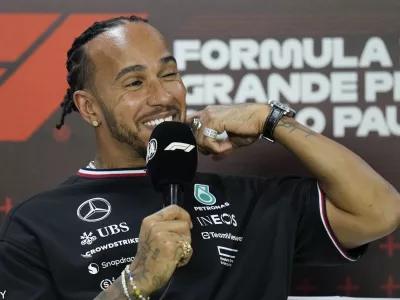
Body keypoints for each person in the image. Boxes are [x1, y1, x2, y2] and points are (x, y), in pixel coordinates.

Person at [0, 15, 399, 300]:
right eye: (135, 82)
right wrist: (134, 282)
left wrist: (271, 120)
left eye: (169, 74)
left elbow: (379, 211)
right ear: (88, 108)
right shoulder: (37, 224)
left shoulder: (251, 201)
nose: (162, 96)